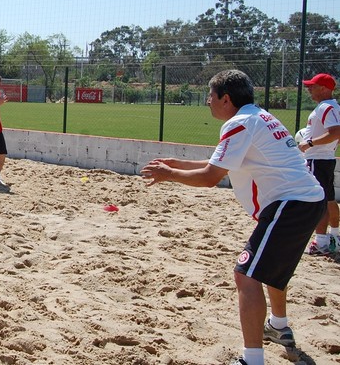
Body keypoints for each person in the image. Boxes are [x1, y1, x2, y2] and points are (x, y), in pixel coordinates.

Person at [141, 69, 325, 365]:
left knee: (246, 275)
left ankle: (251, 360)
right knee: (270, 270)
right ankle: (278, 326)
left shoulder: (239, 123)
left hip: (290, 205)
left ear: (226, 99)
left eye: (210, 96)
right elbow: (222, 161)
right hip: (308, 201)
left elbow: (211, 177)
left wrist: (169, 174)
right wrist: (178, 163)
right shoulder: (259, 117)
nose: (207, 101)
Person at [298, 73, 340, 256]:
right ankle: (335, 237)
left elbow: (335, 132)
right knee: (329, 198)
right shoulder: (333, 106)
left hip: (318, 158)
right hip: (325, 158)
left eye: (312, 86)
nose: (309, 89)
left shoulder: (326, 107)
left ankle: (321, 242)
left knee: (320, 201)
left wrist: (310, 143)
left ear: (324, 88)